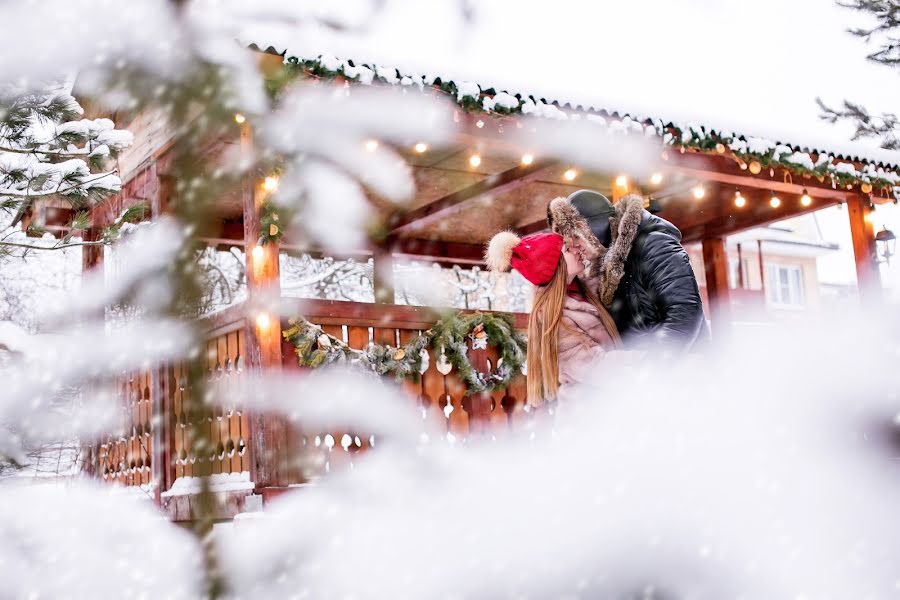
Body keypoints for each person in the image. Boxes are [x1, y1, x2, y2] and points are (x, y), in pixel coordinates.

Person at [547, 190, 708, 350]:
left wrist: (653, 368)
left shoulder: (654, 244)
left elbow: (685, 312)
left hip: (681, 368)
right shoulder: (607, 264)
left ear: (593, 230)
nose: (574, 246)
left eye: (576, 236)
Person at [486, 230, 621, 406]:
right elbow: (596, 368)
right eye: (567, 249)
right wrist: (650, 360)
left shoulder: (582, 294)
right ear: (554, 265)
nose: (576, 250)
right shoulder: (553, 318)